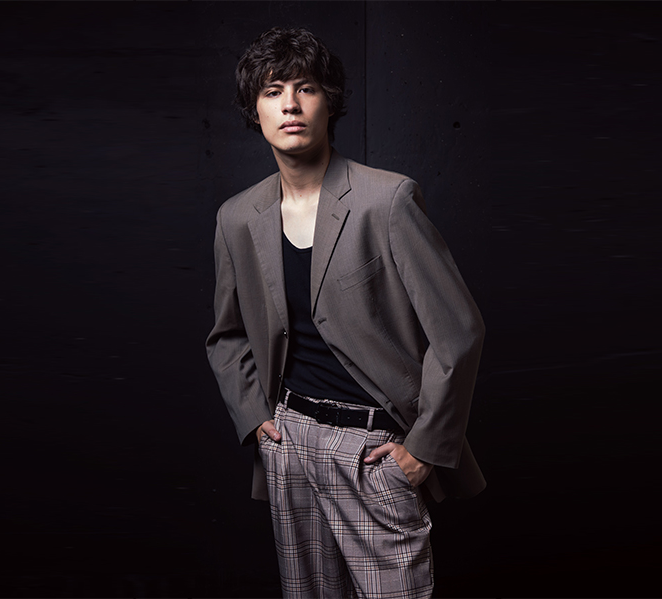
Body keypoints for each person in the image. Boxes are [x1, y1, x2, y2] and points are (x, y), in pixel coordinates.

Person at [206, 26, 486, 599]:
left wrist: (422, 449)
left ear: (328, 102)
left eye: (304, 88)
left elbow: (458, 333)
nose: (289, 104)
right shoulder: (236, 217)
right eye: (272, 91)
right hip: (288, 442)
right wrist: (256, 419)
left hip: (373, 450)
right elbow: (226, 336)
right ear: (255, 110)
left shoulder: (387, 201)